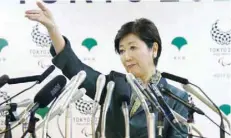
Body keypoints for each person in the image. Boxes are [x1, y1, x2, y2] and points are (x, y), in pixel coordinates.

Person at [25, 1, 189, 138]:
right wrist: (53, 29)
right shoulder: (113, 86)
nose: (126, 57)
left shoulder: (176, 98)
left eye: (133, 48)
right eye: (122, 50)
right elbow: (75, 67)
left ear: (154, 49)